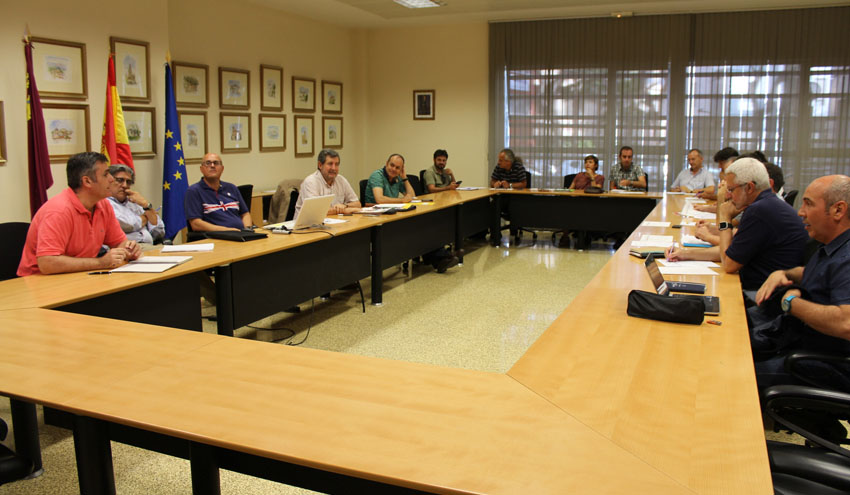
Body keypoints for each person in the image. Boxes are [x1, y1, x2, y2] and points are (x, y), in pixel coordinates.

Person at [750, 175, 850, 389]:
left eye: (809, 204)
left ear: (838, 210)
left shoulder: (847, 257)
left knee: (731, 374)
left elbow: (846, 323)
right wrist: (785, 273)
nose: (800, 212)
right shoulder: (833, 245)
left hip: (823, 364)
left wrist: (791, 303)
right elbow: (820, 275)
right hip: (800, 343)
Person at [665, 158, 808, 290]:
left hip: (762, 293)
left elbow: (728, 264)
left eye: (731, 189)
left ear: (749, 187)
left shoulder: (759, 211)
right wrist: (685, 254)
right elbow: (732, 250)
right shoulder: (767, 204)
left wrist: (725, 218)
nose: (728, 195)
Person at [17, 151, 141, 276]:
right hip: (41, 280)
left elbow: (119, 242)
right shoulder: (58, 211)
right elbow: (47, 263)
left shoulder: (103, 204)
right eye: (105, 174)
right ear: (87, 181)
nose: (111, 179)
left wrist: (129, 249)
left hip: (80, 274)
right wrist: (101, 262)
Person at [184, 153, 254, 231]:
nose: (212, 166)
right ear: (201, 169)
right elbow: (196, 224)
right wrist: (227, 231)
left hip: (240, 234)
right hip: (215, 236)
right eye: (208, 163)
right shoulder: (194, 191)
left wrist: (248, 230)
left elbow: (245, 214)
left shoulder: (231, 188)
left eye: (216, 163)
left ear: (222, 168)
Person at [107, 164, 165, 246]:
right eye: (120, 180)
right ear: (109, 181)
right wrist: (146, 216)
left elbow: (158, 229)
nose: (125, 185)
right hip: (125, 248)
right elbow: (128, 224)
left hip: (149, 245)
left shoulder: (135, 202)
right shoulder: (104, 203)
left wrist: (145, 205)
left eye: (128, 182)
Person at [294, 149, 360, 217]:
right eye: (330, 164)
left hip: (334, 221)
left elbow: (357, 204)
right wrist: (344, 210)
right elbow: (316, 211)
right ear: (320, 165)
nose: (334, 168)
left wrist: (345, 206)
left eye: (336, 164)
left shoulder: (341, 180)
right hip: (307, 223)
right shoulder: (310, 182)